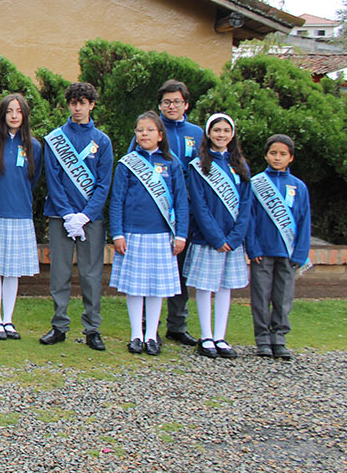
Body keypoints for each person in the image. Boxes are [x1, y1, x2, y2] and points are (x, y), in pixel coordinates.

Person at [131, 80, 205, 347]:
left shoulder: (197, 133)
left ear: (186, 104)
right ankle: (145, 327)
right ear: (160, 105)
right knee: (148, 273)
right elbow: (133, 167)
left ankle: (177, 325)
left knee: (179, 272)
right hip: (152, 216)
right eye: (166, 102)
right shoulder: (149, 129)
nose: (171, 106)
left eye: (176, 102)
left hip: (183, 212)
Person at [40, 82, 113, 351]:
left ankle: (92, 328)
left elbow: (104, 183)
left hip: (90, 219)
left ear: (91, 105)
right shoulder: (56, 137)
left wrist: (84, 216)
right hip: (61, 216)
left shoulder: (102, 141)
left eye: (83, 102)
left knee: (91, 274)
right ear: (68, 105)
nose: (78, 107)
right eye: (73, 103)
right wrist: (68, 214)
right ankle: (59, 326)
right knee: (59, 273)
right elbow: (53, 180)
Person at [109, 112, 188, 356]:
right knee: (135, 288)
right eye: (140, 130)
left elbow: (181, 201)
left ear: (160, 135)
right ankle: (136, 334)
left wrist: (181, 234)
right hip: (133, 234)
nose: (144, 134)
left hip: (162, 234)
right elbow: (117, 200)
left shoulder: (173, 163)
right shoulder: (126, 163)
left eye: (150, 130)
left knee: (156, 288)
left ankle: (152, 335)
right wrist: (117, 233)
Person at [184, 113, 252, 359]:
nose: (221, 134)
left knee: (225, 288)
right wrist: (216, 237)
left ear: (232, 134)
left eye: (226, 130)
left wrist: (235, 238)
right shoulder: (198, 165)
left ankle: (221, 336)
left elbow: (246, 205)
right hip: (208, 239)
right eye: (217, 130)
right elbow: (199, 206)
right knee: (205, 287)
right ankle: (206, 336)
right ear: (208, 133)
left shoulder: (241, 166)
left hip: (232, 240)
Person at [0, 93, 42, 341]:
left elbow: (33, 180)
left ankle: (9, 320)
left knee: (13, 270)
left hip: (21, 214)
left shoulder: (33, 146)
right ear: (2, 114)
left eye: (18, 111)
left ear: (24, 115)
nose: (14, 116)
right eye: (9, 111)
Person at [247, 134, 311, 360]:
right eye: (273, 153)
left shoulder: (299, 187)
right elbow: (250, 219)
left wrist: (301, 253)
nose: (277, 157)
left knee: (283, 297)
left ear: (291, 158)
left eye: (283, 154)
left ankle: (280, 338)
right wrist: (252, 248)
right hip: (262, 252)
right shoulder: (255, 184)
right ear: (265, 155)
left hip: (288, 252)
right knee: (261, 296)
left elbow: (304, 221)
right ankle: (263, 338)